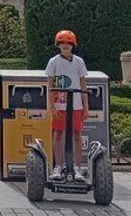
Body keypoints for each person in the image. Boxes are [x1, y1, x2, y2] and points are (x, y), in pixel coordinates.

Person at [45, 29, 89, 182]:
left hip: (75, 105)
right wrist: (52, 106)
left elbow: (83, 86)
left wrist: (86, 107)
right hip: (60, 104)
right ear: (58, 45)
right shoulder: (53, 62)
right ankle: (58, 166)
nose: (65, 46)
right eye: (62, 43)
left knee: (77, 134)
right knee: (58, 134)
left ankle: (77, 166)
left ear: (72, 45)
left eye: (68, 43)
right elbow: (49, 86)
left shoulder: (79, 62)